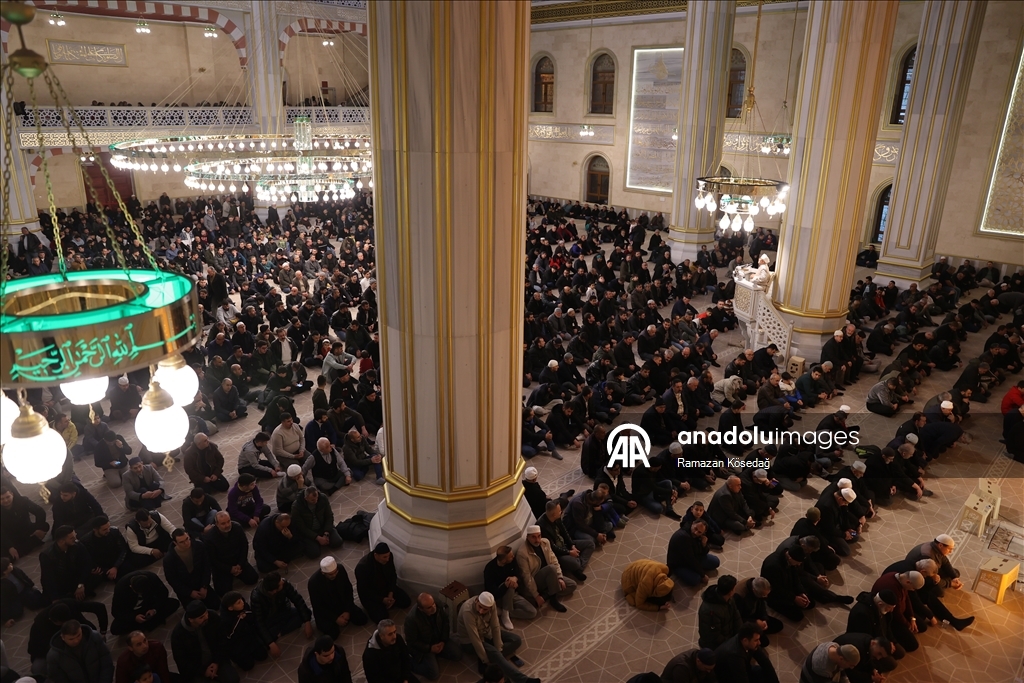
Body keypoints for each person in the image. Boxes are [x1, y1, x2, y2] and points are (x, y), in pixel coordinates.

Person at [457, 593, 538, 683]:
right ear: (476, 601)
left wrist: (499, 648)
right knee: (495, 654)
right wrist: (486, 660)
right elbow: (475, 638)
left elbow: (495, 626)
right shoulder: (467, 611)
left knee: (516, 640)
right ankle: (524, 680)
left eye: (485, 609)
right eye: (480, 607)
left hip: (486, 633)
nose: (481, 611)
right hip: (469, 641)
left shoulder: (492, 605)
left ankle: (492, 656)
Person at [170, 601, 239, 683]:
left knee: (233, 680)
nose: (206, 617)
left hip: (216, 660)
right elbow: (182, 662)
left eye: (206, 613)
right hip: (196, 669)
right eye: (201, 617)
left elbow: (222, 642)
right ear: (191, 620)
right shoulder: (178, 635)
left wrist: (217, 662)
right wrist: (203, 671)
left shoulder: (212, 617)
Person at [250, 572, 313, 659]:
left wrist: (307, 622)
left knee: (307, 613)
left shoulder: (284, 584)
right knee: (262, 641)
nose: (282, 582)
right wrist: (271, 643)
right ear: (274, 591)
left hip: (283, 612)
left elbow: (297, 600)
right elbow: (258, 621)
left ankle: (279, 632)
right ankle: (279, 631)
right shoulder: (256, 597)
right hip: (268, 619)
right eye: (280, 583)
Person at [516, 525, 577, 613]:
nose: (537, 540)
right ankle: (553, 598)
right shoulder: (522, 553)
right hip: (537, 579)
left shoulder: (545, 542)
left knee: (572, 585)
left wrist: (559, 577)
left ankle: (546, 595)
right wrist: (536, 595)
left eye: (539, 536)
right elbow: (527, 577)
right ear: (527, 537)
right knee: (551, 569)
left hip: (551, 576)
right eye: (533, 537)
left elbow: (554, 560)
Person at [404, 592, 462, 681]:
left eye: (433, 604)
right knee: (433, 674)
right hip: (424, 646)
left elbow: (445, 623)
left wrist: (443, 641)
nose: (433, 607)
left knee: (457, 655)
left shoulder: (437, 605)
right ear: (421, 609)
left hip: (438, 639)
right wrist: (429, 648)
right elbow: (412, 642)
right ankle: (409, 663)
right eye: (429, 607)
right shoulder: (411, 619)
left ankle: (435, 654)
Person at [308, 556, 369, 638]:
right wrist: (335, 618)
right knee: (333, 634)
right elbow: (318, 606)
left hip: (342, 605)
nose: (334, 575)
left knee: (362, 619)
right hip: (327, 611)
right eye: (330, 574)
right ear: (323, 573)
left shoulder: (340, 569)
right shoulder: (313, 582)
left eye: (335, 572)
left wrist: (347, 610)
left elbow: (348, 590)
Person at [203, 511, 259, 595]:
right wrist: (229, 569)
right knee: (223, 592)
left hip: (238, 562)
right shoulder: (209, 538)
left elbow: (244, 546)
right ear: (217, 524)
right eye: (223, 523)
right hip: (222, 567)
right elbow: (212, 560)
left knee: (253, 579)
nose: (227, 525)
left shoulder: (237, 527)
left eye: (228, 521)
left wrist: (240, 564)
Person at [355, 543, 413, 623]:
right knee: (382, 617)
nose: (387, 559)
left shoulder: (388, 557)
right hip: (372, 595)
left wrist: (391, 592)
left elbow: (393, 575)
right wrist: (382, 599)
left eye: (388, 556)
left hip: (386, 589)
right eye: (384, 557)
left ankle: (387, 603)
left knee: (406, 601)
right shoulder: (362, 567)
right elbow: (364, 591)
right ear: (376, 555)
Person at [162, 528, 219, 610]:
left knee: (216, 605)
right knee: (195, 611)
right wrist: (189, 592)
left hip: (200, 584)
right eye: (182, 542)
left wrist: (204, 586)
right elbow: (172, 580)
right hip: (186, 589)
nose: (186, 543)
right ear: (175, 543)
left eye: (187, 539)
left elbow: (206, 567)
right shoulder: (169, 559)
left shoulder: (199, 546)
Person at [39, 526, 99, 602]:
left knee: (96, 576)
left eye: (75, 536)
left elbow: (87, 562)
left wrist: (81, 584)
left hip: (75, 578)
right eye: (72, 538)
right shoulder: (47, 555)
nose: (75, 539)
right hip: (61, 584)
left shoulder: (77, 545)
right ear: (61, 541)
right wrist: (55, 598)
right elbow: (48, 579)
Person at [870, 571, 926, 653]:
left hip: (899, 613)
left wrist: (912, 618)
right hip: (890, 616)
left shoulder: (901, 579)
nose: (913, 590)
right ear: (908, 582)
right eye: (913, 588)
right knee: (913, 645)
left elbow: (907, 598)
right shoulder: (892, 587)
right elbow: (895, 613)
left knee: (922, 626)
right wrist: (908, 625)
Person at [109, 571, 179, 636]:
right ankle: (150, 623)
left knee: (174, 603)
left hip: (149, 606)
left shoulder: (152, 578)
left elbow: (163, 593)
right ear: (131, 587)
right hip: (133, 612)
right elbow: (116, 612)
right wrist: (134, 617)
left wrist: (154, 609)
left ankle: (145, 624)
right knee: (115, 629)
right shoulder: (120, 588)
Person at [46, 619, 115, 683]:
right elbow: (59, 679)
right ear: (63, 637)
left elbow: (106, 663)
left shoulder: (94, 638)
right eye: (71, 639)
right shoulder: (54, 656)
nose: (76, 640)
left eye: (78, 635)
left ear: (81, 630)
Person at [537, 500, 591, 581]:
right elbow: (553, 548)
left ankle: (578, 569)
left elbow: (565, 532)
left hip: (565, 545)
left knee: (590, 544)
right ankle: (576, 566)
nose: (561, 512)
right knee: (576, 563)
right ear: (554, 514)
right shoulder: (542, 527)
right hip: (559, 554)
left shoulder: (557, 518)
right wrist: (569, 552)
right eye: (559, 511)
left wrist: (572, 545)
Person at [483, 545, 537, 626]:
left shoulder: (512, 561)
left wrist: (515, 578)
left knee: (532, 612)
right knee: (510, 584)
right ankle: (505, 614)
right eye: (511, 556)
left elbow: (519, 574)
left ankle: (502, 612)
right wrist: (506, 585)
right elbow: (493, 593)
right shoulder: (489, 569)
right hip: (499, 597)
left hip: (513, 595)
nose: (513, 556)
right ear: (504, 560)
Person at [712, 623, 780, 683]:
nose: (759, 643)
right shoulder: (735, 655)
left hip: (741, 670)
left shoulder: (748, 642)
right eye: (756, 640)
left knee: (766, 673)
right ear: (745, 640)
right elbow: (741, 679)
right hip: (728, 677)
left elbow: (765, 662)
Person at [218, 591, 269, 672]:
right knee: (248, 666)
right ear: (230, 608)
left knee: (263, 656)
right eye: (238, 602)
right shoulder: (225, 620)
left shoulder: (243, 605)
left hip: (248, 636)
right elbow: (230, 636)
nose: (242, 602)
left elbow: (252, 616)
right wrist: (239, 620)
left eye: (241, 599)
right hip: (237, 644)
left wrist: (246, 616)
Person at [292, 486, 344, 558]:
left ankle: (323, 540)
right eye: (312, 500)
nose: (316, 501)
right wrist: (317, 538)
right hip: (309, 531)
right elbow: (301, 527)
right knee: (314, 553)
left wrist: (326, 533)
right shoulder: (296, 506)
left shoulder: (323, 498)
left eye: (317, 498)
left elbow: (329, 516)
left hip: (322, 527)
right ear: (306, 498)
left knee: (337, 542)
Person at [362, 618, 419, 683]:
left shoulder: (397, 638)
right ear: (381, 636)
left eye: (394, 632)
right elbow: (374, 679)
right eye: (390, 634)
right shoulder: (370, 655)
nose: (394, 636)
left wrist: (405, 678)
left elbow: (405, 658)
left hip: (401, 675)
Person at [732, 576, 783, 647]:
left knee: (778, 625)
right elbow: (738, 618)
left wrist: (764, 618)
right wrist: (755, 622)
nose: (765, 597)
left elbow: (762, 605)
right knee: (764, 642)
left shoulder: (758, 587)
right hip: (746, 619)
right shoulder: (739, 596)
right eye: (763, 595)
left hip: (753, 614)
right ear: (754, 590)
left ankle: (759, 630)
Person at [1, 486, 49, 560]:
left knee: (45, 526)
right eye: (2, 499)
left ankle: (23, 548)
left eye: (8, 497)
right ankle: (32, 543)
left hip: (26, 529)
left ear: (12, 494)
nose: (6, 500)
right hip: (11, 536)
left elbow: (40, 511)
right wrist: (10, 547)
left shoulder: (22, 501)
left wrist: (39, 528)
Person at [667, 519, 720, 586]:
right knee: (696, 579)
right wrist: (702, 574)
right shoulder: (683, 537)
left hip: (694, 556)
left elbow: (703, 553)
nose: (696, 532)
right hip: (678, 563)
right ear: (693, 523)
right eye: (695, 528)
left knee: (716, 562)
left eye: (699, 532)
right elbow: (690, 559)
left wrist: (704, 545)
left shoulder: (699, 536)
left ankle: (695, 570)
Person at [1, 555, 47, 624]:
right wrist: (6, 619)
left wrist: (31, 585)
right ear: (4, 571)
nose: (11, 564)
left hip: (24, 590)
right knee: (18, 613)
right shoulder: (2, 584)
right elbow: (3, 601)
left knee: (36, 602)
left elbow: (24, 577)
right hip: (14, 597)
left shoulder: (15, 570)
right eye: (9, 565)